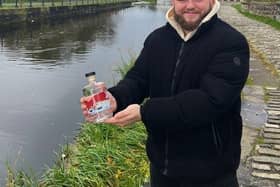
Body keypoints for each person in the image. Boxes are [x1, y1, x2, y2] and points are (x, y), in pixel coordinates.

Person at [80, 0, 250, 185]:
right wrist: (115, 98)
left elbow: (209, 101)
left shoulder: (231, 42)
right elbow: (138, 80)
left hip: (212, 173)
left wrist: (144, 112)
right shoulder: (157, 39)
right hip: (161, 169)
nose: (190, 5)